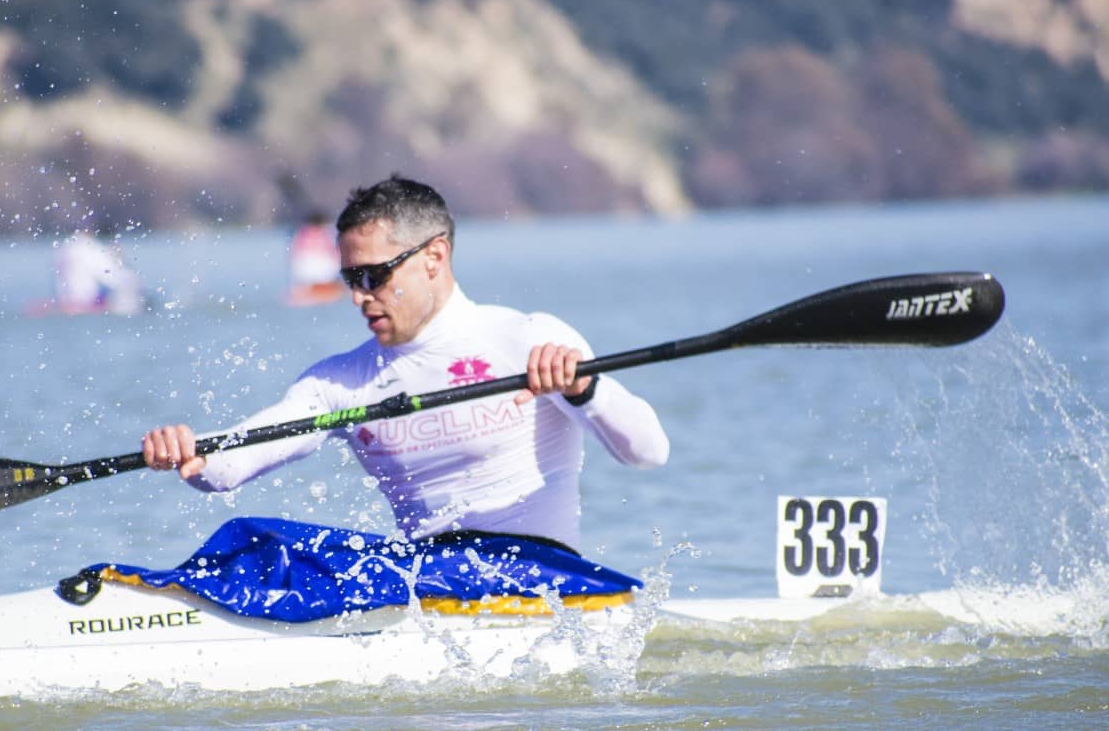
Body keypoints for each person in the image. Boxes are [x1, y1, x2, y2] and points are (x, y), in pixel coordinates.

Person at [141, 175, 669, 554]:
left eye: (374, 276)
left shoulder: (527, 338)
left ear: (434, 257)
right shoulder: (339, 382)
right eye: (351, 279)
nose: (359, 297)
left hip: (541, 577)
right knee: (259, 547)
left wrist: (585, 390)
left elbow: (648, 452)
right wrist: (190, 451)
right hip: (424, 586)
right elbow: (233, 462)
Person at [50, 225, 143, 315]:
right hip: (87, 301)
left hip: (67, 300)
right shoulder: (89, 248)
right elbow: (110, 276)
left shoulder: (66, 246)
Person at [285, 209, 343, 306]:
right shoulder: (326, 232)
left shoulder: (302, 233)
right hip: (322, 270)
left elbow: (293, 253)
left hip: (304, 271)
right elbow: (335, 251)